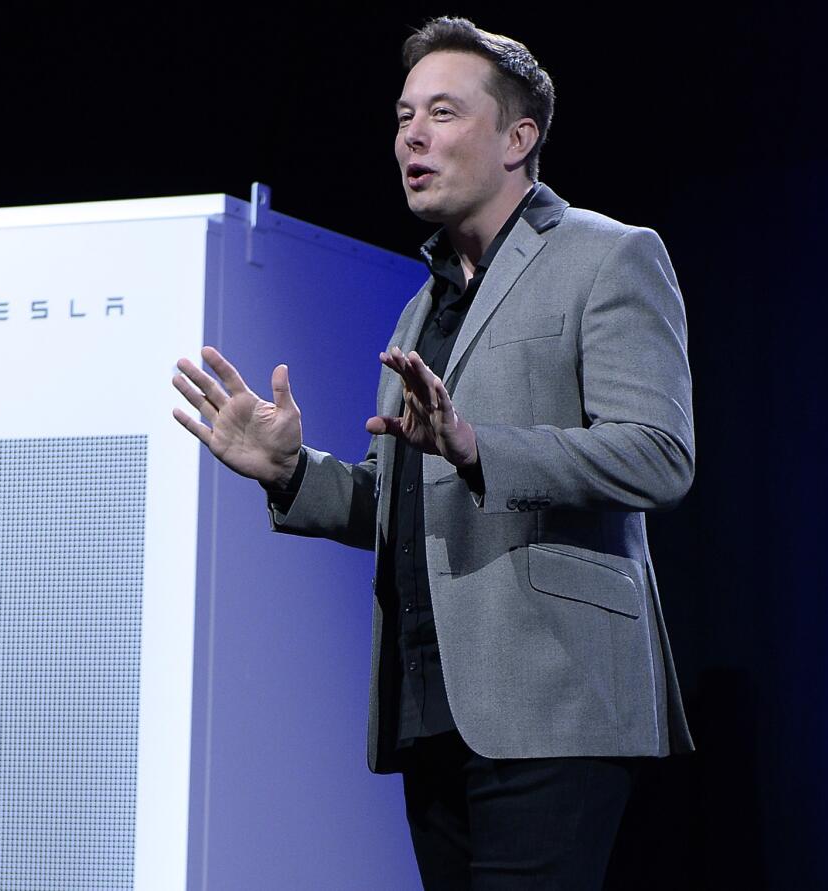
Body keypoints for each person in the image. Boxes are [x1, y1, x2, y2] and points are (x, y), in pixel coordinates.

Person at [172, 16, 694, 890]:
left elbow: (657, 454)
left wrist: (476, 443)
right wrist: (292, 473)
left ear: (519, 139)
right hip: (431, 704)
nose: (412, 135)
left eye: (443, 113)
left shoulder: (611, 257)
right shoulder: (422, 308)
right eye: (404, 116)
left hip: (555, 696)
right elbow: (400, 497)